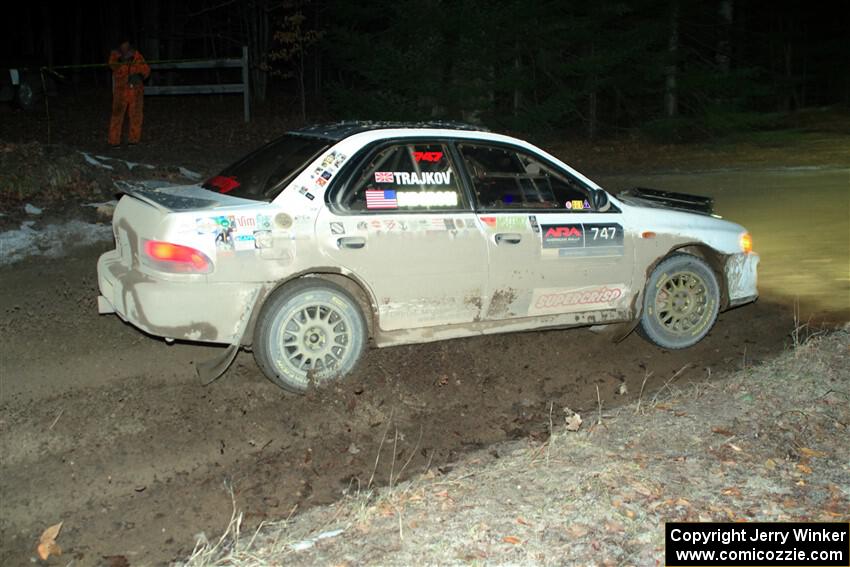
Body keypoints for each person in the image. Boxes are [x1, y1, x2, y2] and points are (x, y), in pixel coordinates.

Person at [108, 39, 150, 147]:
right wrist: (123, 60)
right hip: (120, 91)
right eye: (123, 44)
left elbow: (146, 69)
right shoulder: (115, 55)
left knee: (136, 115)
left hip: (135, 90)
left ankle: (134, 140)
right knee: (117, 115)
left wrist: (139, 75)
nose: (125, 46)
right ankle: (114, 141)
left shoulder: (137, 55)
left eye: (127, 44)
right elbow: (114, 66)